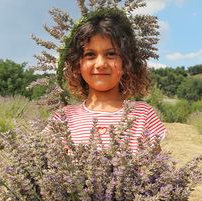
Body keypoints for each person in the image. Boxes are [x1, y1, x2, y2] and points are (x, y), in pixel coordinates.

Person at [51, 8, 166, 152]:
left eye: (111, 54)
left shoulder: (143, 115)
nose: (100, 64)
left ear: (126, 62)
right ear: (78, 64)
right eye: (90, 55)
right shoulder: (64, 118)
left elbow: (157, 168)